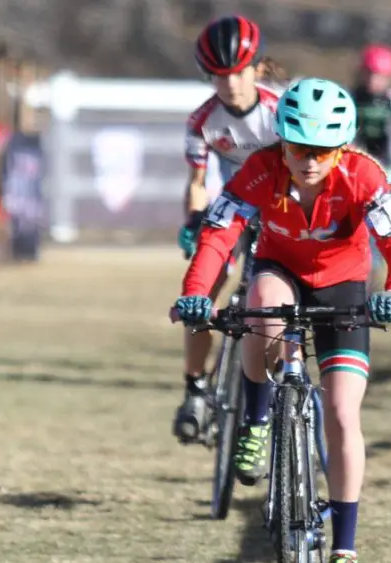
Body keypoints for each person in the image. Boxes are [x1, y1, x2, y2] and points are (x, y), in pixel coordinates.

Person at [173, 77, 391, 563]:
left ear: (343, 145)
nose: (309, 161)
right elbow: (219, 235)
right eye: (299, 147)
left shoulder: (364, 176)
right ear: (281, 139)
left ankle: (345, 553)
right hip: (280, 269)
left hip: (345, 287)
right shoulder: (260, 169)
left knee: (341, 412)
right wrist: (195, 293)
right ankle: (257, 423)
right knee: (259, 304)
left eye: (323, 150)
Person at [172, 15, 284, 444]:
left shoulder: (279, 112)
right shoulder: (202, 120)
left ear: (256, 67)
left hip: (277, 207)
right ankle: (196, 388)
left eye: (238, 71)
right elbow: (198, 184)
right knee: (203, 288)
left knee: (269, 297)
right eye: (219, 76)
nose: (231, 83)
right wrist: (192, 222)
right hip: (228, 207)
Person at [352, 44, 391, 181]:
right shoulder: (352, 97)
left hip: (386, 153)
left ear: (388, 78)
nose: (372, 81)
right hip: (359, 148)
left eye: (379, 77)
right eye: (369, 74)